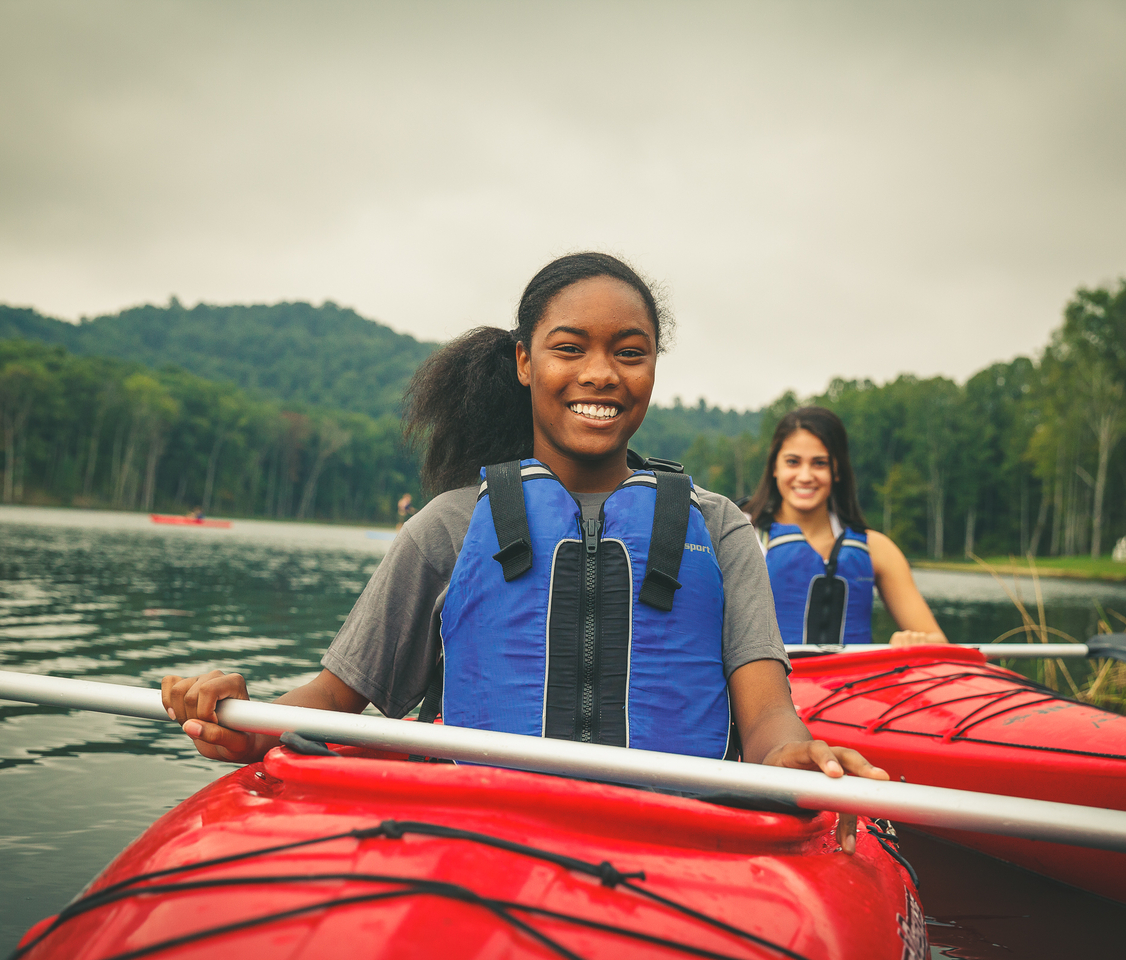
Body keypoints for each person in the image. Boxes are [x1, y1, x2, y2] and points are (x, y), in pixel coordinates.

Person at [162, 253, 889, 853]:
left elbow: (765, 717)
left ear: (654, 366)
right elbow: (332, 701)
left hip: (678, 847)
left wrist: (792, 755)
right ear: (523, 361)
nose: (601, 374)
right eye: (569, 348)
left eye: (628, 353)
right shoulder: (446, 528)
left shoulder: (721, 528)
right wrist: (245, 722)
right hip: (482, 844)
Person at [744, 406, 947, 648]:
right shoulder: (740, 537)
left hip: (852, 684)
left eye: (819, 463)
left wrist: (913, 641)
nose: (805, 476)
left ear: (837, 470)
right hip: (770, 685)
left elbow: (938, 641)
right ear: (775, 467)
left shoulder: (876, 548)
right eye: (793, 462)